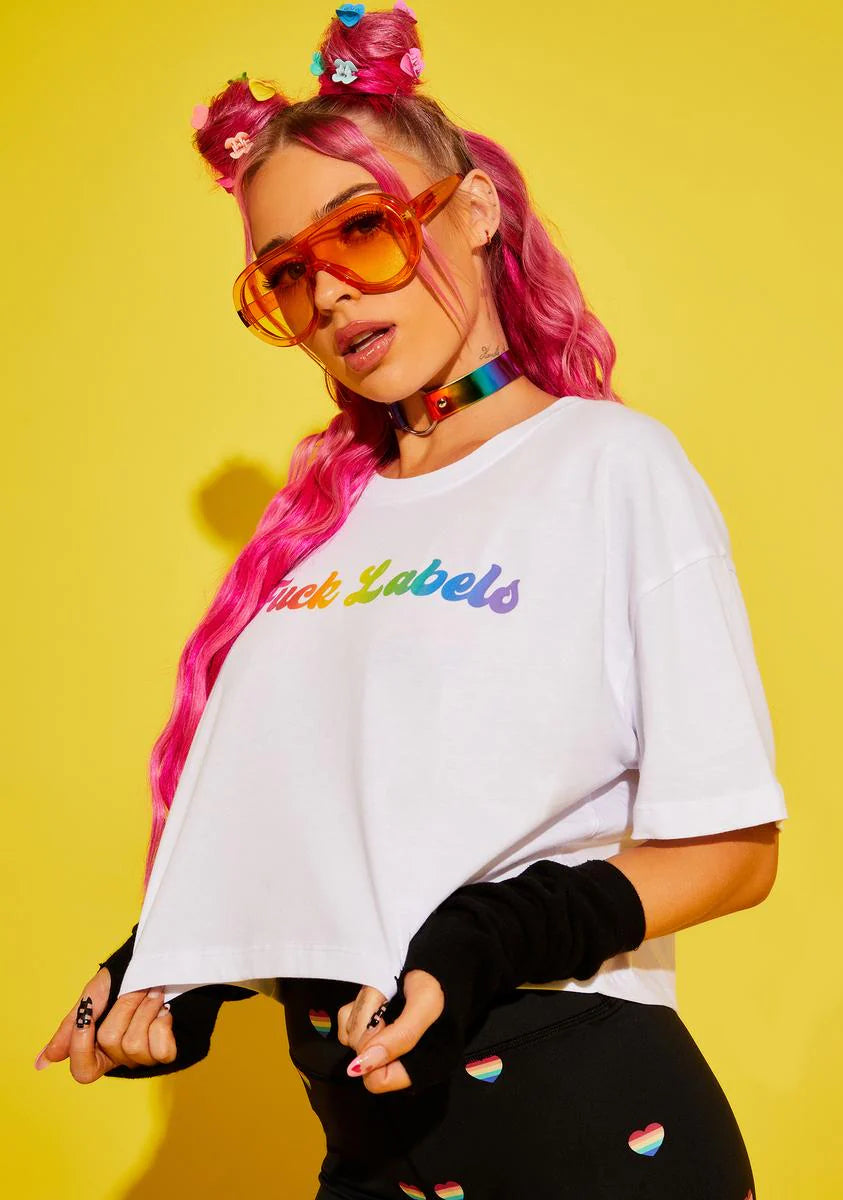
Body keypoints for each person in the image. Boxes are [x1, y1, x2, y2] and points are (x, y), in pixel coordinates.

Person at [35, 5, 786, 1197]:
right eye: (287, 275)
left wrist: (492, 933)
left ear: (473, 210)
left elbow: (735, 851)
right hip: (370, 1150)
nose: (330, 295)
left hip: (589, 1130)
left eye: (362, 231)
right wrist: (182, 964)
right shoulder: (321, 529)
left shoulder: (608, 465)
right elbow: (352, 831)